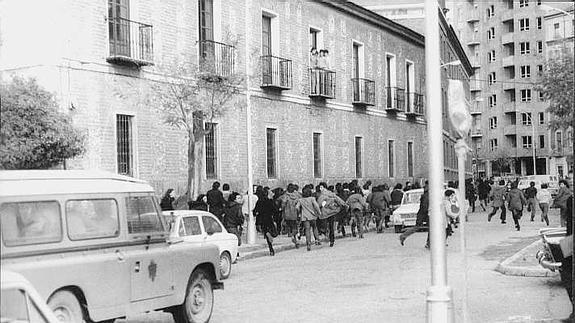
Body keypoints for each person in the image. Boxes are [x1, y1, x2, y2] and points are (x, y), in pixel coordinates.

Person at [399, 182, 429, 247]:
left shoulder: (426, 193)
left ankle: (429, 243)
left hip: (424, 213)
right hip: (425, 213)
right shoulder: (427, 194)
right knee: (430, 228)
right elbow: (425, 206)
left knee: (422, 227)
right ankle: (429, 243)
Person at [317, 182, 346, 247]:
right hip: (332, 212)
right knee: (331, 226)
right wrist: (344, 204)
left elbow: (319, 204)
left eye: (321, 187)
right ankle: (332, 240)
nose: (320, 188)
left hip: (325, 213)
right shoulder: (331, 193)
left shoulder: (322, 195)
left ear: (323, 187)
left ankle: (327, 235)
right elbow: (338, 199)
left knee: (324, 225)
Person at [560, 196, 573, 321]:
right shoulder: (570, 198)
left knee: (566, 273)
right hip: (570, 239)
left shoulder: (571, 199)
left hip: (570, 239)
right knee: (565, 272)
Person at [296, 186, 322, 251]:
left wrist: (299, 212)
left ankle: (308, 243)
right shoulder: (312, 199)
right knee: (315, 227)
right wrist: (319, 212)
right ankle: (317, 239)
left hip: (305, 217)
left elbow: (297, 207)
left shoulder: (300, 200)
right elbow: (316, 206)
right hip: (312, 216)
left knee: (307, 230)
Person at [254, 188, 277, 256]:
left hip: (261, 219)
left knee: (266, 232)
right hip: (269, 218)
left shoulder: (259, 201)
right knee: (274, 233)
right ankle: (269, 234)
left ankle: (271, 249)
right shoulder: (269, 201)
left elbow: (255, 211)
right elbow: (275, 210)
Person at [281, 183, 301, 248]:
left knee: (289, 226)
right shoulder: (297, 196)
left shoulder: (285, 196)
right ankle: (296, 237)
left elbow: (283, 205)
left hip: (287, 214)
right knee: (295, 226)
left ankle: (293, 236)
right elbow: (299, 204)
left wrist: (282, 208)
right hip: (295, 213)